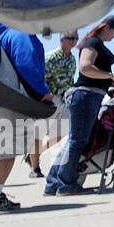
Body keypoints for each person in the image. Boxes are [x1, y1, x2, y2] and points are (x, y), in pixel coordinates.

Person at [0, 23, 53, 210]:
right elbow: (25, 63)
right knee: (7, 152)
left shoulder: (1, 36)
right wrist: (42, 91)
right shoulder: (21, 33)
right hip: (8, 103)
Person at [43, 16, 114, 196]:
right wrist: (111, 76)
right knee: (77, 141)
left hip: (88, 95)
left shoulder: (94, 43)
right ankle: (66, 184)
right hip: (85, 96)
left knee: (74, 141)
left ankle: (53, 184)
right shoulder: (93, 43)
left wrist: (113, 84)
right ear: (107, 27)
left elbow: (91, 74)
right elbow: (86, 68)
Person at [26, 30, 79, 177]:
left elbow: (71, 78)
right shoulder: (50, 57)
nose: (74, 41)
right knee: (39, 132)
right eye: (71, 38)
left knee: (65, 131)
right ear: (62, 39)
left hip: (64, 99)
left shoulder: (72, 59)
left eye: (76, 38)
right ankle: (35, 168)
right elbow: (37, 75)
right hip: (48, 98)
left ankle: (34, 154)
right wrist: (42, 94)